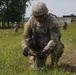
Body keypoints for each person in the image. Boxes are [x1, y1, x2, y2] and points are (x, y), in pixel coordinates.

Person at [22, 2, 64, 70]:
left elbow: (54, 39)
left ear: (45, 13)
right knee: (35, 67)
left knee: (59, 48)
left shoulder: (52, 22)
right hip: (38, 46)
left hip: (50, 45)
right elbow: (26, 37)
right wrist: (25, 47)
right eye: (36, 16)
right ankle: (40, 60)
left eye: (40, 16)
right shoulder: (31, 21)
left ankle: (53, 63)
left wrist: (45, 51)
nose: (38, 18)